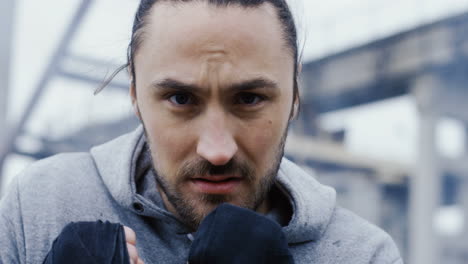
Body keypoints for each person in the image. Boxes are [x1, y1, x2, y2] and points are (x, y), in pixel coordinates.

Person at [0, 0, 403, 263]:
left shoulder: (361, 254)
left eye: (248, 99)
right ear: (136, 95)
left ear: (295, 95)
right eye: (180, 98)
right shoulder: (41, 204)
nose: (217, 150)